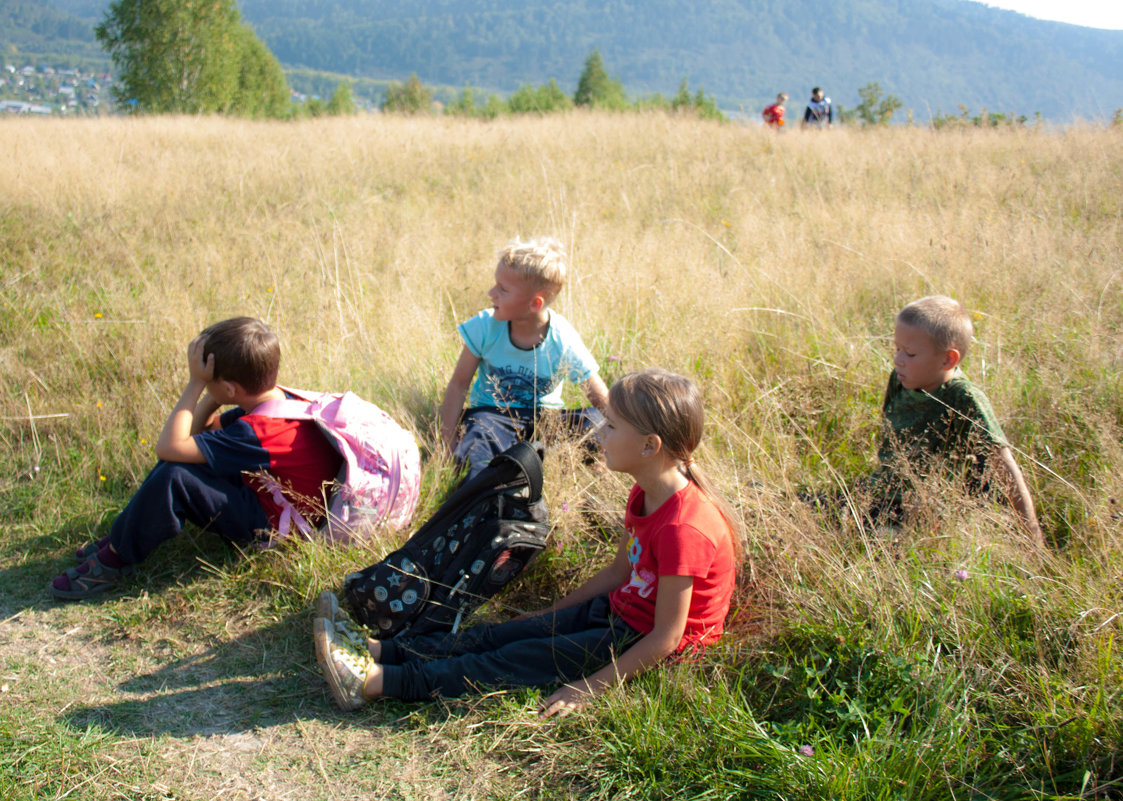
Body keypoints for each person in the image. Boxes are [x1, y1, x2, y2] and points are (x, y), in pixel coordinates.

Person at [314, 368, 739, 717]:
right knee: (505, 634)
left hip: (641, 639)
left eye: (611, 425)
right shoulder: (643, 493)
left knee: (510, 661)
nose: (600, 433)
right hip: (622, 611)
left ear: (650, 446)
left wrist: (587, 688)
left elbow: (666, 637)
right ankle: (384, 649)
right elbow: (618, 573)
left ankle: (377, 683)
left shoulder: (686, 528)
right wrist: (551, 615)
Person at [49, 317, 344, 599]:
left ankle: (114, 560)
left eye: (209, 382)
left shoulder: (256, 432)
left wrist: (195, 385)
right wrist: (217, 393)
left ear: (230, 389)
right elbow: (197, 435)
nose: (204, 385)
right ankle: (124, 533)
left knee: (175, 475)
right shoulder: (278, 402)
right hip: (277, 501)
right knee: (186, 460)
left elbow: (169, 447)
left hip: (273, 528)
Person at [852, 296, 1044, 546]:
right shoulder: (899, 380)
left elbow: (1004, 465)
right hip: (883, 495)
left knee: (881, 544)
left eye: (909, 353)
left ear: (948, 359)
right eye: (896, 349)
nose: (898, 360)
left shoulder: (964, 398)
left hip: (929, 509)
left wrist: (1033, 538)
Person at [439, 236, 608, 479]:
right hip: (492, 417)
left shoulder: (562, 338)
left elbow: (599, 396)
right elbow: (458, 384)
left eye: (503, 290)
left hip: (545, 423)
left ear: (534, 303)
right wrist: (447, 438)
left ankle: (551, 463)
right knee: (477, 439)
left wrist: (627, 431)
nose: (491, 293)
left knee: (595, 421)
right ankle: (489, 485)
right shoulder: (485, 326)